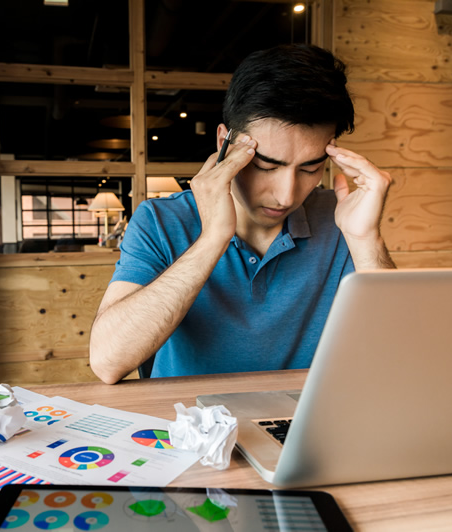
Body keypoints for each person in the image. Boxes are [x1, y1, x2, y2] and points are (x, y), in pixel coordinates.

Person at [89, 44, 395, 384]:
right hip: (188, 427)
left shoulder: (340, 218)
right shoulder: (160, 220)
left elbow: (400, 356)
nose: (286, 194)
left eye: (310, 168)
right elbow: (107, 362)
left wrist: (365, 240)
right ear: (225, 143)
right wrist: (212, 240)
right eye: (265, 165)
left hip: (299, 424)